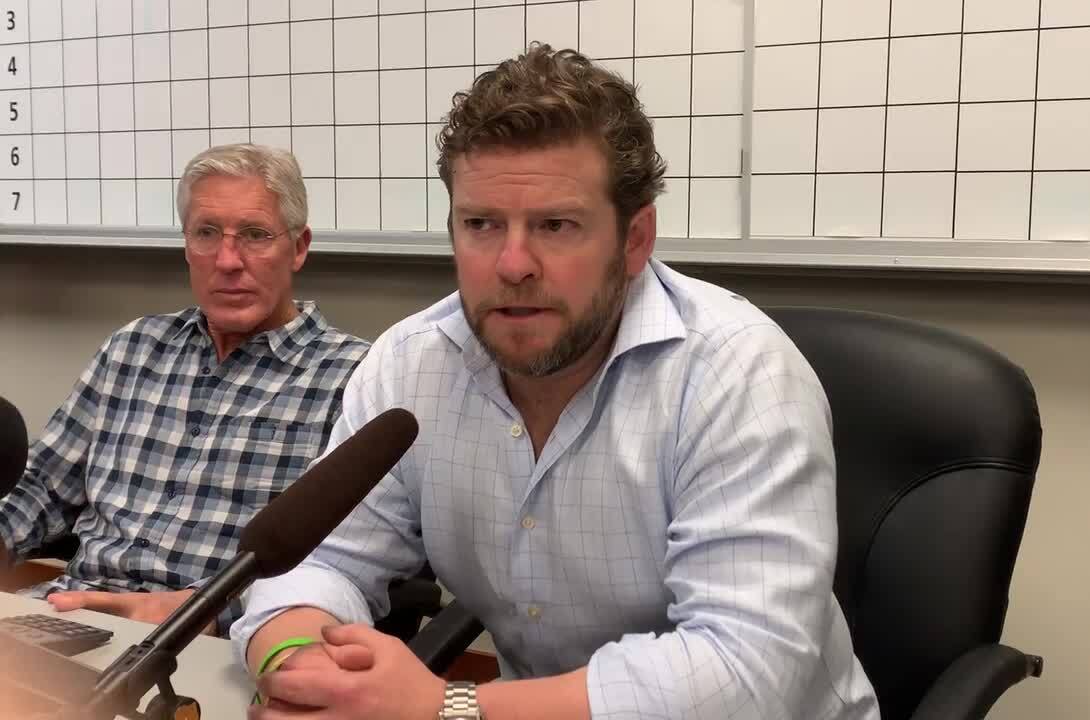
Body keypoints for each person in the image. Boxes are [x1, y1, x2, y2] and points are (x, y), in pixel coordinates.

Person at [234, 45, 880, 719]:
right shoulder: (408, 367)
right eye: (482, 224)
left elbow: (742, 673)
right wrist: (299, 669)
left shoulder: (736, 374)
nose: (514, 264)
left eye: (556, 225)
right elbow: (323, 563)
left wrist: (451, 707)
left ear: (635, 240)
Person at [0, 144, 370, 637]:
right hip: (64, 612)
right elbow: (41, 487)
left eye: (256, 235)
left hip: (205, 637)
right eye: (206, 233)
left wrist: (206, 608)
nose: (228, 260)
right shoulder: (133, 348)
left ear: (298, 247)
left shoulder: (351, 379)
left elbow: (342, 568)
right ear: (185, 244)